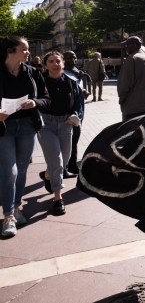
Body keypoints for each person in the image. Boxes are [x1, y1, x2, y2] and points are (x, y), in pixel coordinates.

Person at [0, 37, 50, 237]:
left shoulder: (32, 73)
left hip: (28, 126)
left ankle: (17, 207)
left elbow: (46, 99)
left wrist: (35, 103)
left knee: (21, 170)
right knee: (9, 171)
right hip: (4, 128)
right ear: (11, 51)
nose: (28, 53)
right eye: (25, 49)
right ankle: (8, 216)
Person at [37, 52, 83, 215]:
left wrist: (76, 117)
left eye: (58, 61)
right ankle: (58, 198)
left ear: (63, 64)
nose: (55, 64)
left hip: (66, 124)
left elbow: (78, 103)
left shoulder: (71, 82)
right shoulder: (38, 81)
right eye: (51, 61)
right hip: (46, 124)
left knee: (62, 162)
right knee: (56, 161)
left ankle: (48, 175)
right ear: (45, 64)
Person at [117, 36, 145, 121]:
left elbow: (123, 86)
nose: (125, 48)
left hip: (132, 109)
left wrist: (122, 102)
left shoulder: (131, 60)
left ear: (134, 45)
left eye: (127, 45)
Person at [63, 51, 91, 176]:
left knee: (74, 138)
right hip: (69, 112)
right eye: (69, 57)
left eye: (74, 57)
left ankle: (72, 165)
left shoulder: (76, 72)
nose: (72, 59)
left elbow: (76, 89)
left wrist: (83, 91)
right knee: (68, 140)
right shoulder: (63, 73)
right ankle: (64, 167)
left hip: (78, 110)